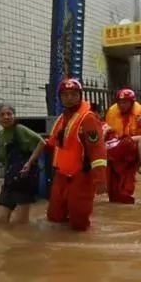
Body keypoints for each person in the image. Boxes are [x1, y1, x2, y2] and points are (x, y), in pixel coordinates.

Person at [46, 78, 108, 231]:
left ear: (80, 95)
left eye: (73, 94)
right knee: (54, 217)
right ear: (60, 97)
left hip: (81, 175)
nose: (69, 98)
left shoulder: (88, 119)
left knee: (79, 223)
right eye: (65, 95)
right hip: (61, 175)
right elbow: (52, 143)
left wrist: (100, 179)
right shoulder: (62, 118)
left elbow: (97, 150)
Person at [104, 88, 141, 204]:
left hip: (130, 152)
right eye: (121, 102)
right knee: (112, 191)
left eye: (125, 102)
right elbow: (104, 132)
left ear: (131, 103)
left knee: (126, 189)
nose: (123, 105)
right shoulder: (112, 114)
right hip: (115, 150)